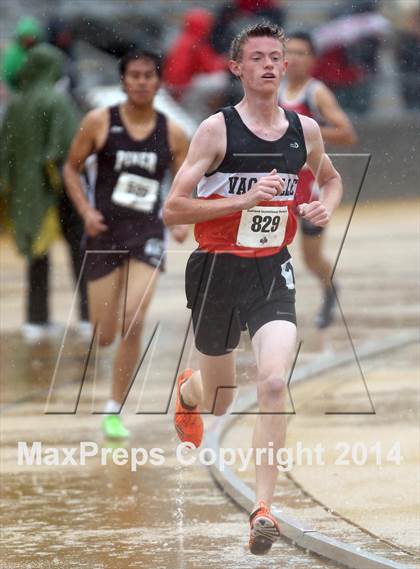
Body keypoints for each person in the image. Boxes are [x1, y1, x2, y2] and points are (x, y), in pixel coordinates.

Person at [163, 22, 342, 555]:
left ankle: (264, 509)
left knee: (271, 383)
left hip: (272, 269)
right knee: (221, 401)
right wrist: (241, 202)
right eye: (256, 57)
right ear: (237, 68)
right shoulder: (215, 131)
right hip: (216, 268)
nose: (267, 64)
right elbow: (174, 207)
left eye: (275, 57)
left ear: (286, 67)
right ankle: (189, 391)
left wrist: (320, 210)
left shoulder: (303, 131)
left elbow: (330, 181)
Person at [64, 50, 189, 440]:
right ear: (123, 81)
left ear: (158, 82)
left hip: (146, 234)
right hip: (104, 233)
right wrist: (85, 211)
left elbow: (184, 182)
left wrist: (181, 219)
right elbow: (70, 168)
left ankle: (114, 408)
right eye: (133, 76)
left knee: (133, 319)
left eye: (148, 76)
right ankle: (107, 348)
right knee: (104, 334)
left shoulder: (173, 132)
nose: (140, 82)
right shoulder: (99, 122)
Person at [0, 43, 89, 342]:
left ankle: (35, 321)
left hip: (26, 193)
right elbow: (70, 148)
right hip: (60, 188)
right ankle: (89, 318)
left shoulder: (15, 104)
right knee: (79, 250)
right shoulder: (56, 101)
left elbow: (5, 152)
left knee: (37, 255)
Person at [278, 31, 357, 328]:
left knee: (311, 258)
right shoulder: (273, 89)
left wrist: (306, 131)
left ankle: (329, 288)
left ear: (312, 60)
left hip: (310, 188)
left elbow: (347, 134)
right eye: (290, 53)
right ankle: (263, 307)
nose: (294, 59)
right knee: (265, 248)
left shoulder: (316, 93)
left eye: (301, 53)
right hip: (279, 186)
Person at [163, 8, 228, 122]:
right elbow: (211, 67)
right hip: (182, 89)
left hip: (170, 88)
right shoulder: (196, 42)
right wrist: (230, 61)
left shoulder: (181, 39)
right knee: (220, 79)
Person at [1, 17, 43, 91]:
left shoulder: (40, 51)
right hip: (18, 89)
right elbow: (8, 74)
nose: (29, 41)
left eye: (31, 38)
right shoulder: (13, 53)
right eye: (26, 38)